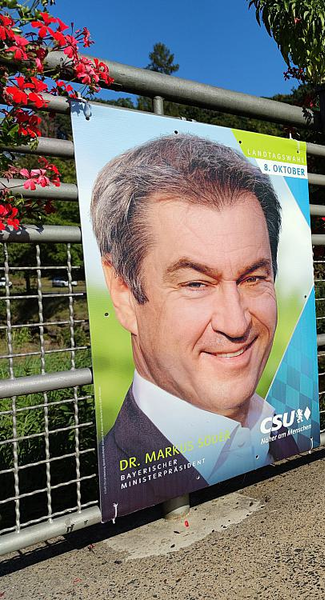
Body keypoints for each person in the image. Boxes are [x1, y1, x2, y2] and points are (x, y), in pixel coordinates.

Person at [91, 134, 299, 521]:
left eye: (253, 278)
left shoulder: (286, 434)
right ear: (123, 293)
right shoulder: (126, 490)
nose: (236, 324)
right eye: (195, 284)